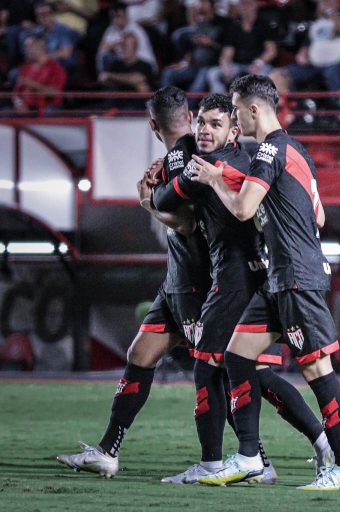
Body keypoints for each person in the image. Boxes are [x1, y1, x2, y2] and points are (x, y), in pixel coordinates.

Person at [185, 75, 340, 491]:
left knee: (319, 370)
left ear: (251, 109)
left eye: (233, 110)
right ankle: (249, 457)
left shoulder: (268, 150)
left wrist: (214, 179)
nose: (232, 118)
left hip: (297, 276)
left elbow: (244, 209)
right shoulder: (296, 150)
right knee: (237, 354)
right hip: (280, 277)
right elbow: (318, 217)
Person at [149, 92, 333, 484]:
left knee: (208, 367)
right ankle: (314, 444)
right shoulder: (252, 160)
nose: (203, 130)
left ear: (234, 130)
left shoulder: (212, 165)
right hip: (264, 275)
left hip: (236, 278)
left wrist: (149, 193)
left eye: (215, 124)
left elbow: (166, 200)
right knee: (253, 372)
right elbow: (317, 214)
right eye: (201, 122)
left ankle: (220, 462)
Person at [56, 86, 211, 479]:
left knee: (233, 371)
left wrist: (148, 202)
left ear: (152, 125)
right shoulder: (197, 151)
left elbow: (190, 224)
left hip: (198, 281)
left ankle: (279, 451)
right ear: (190, 116)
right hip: (179, 280)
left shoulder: (181, 158)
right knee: (141, 355)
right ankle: (108, 450)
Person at [205, 0, 279, 94]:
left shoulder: (264, 25)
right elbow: (228, 51)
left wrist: (258, 63)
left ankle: (256, 104)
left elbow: (271, 51)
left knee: (264, 76)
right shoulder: (234, 26)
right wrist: (225, 65)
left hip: (259, 65)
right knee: (213, 73)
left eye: (248, 4)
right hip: (238, 65)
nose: (245, 7)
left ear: (255, 5)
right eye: (242, 4)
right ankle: (222, 103)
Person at [11, 33, 67, 113]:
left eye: (29, 46)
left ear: (40, 46)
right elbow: (16, 94)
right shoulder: (24, 68)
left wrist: (32, 84)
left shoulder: (56, 68)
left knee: (49, 111)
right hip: (26, 108)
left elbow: (54, 93)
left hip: (47, 108)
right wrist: (19, 104)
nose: (26, 49)